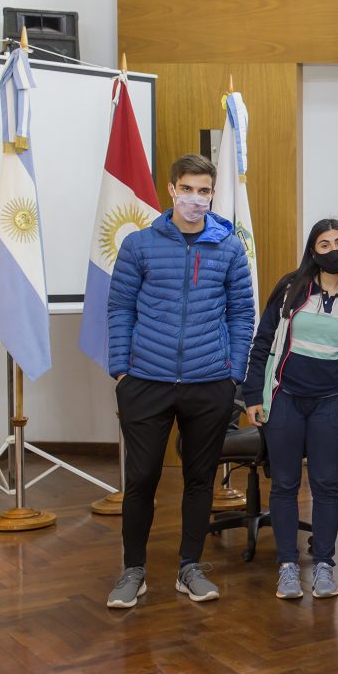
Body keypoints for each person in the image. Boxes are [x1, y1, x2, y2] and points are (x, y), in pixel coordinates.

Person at [105, 153, 255, 609]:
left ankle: (189, 566)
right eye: (187, 189)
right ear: (171, 190)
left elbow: (243, 313)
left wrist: (233, 374)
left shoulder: (229, 248)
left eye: (204, 191)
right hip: (145, 381)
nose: (195, 198)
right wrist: (121, 370)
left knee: (199, 478)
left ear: (213, 194)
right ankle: (134, 570)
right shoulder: (139, 245)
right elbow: (119, 309)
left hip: (209, 382)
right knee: (143, 478)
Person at [243, 219, 338, 600]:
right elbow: (261, 342)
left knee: (327, 486)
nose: (333, 249)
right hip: (285, 400)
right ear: (313, 251)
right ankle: (288, 567)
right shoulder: (292, 288)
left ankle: (324, 566)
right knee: (285, 484)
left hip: (330, 404)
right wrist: (252, 396)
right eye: (324, 244)